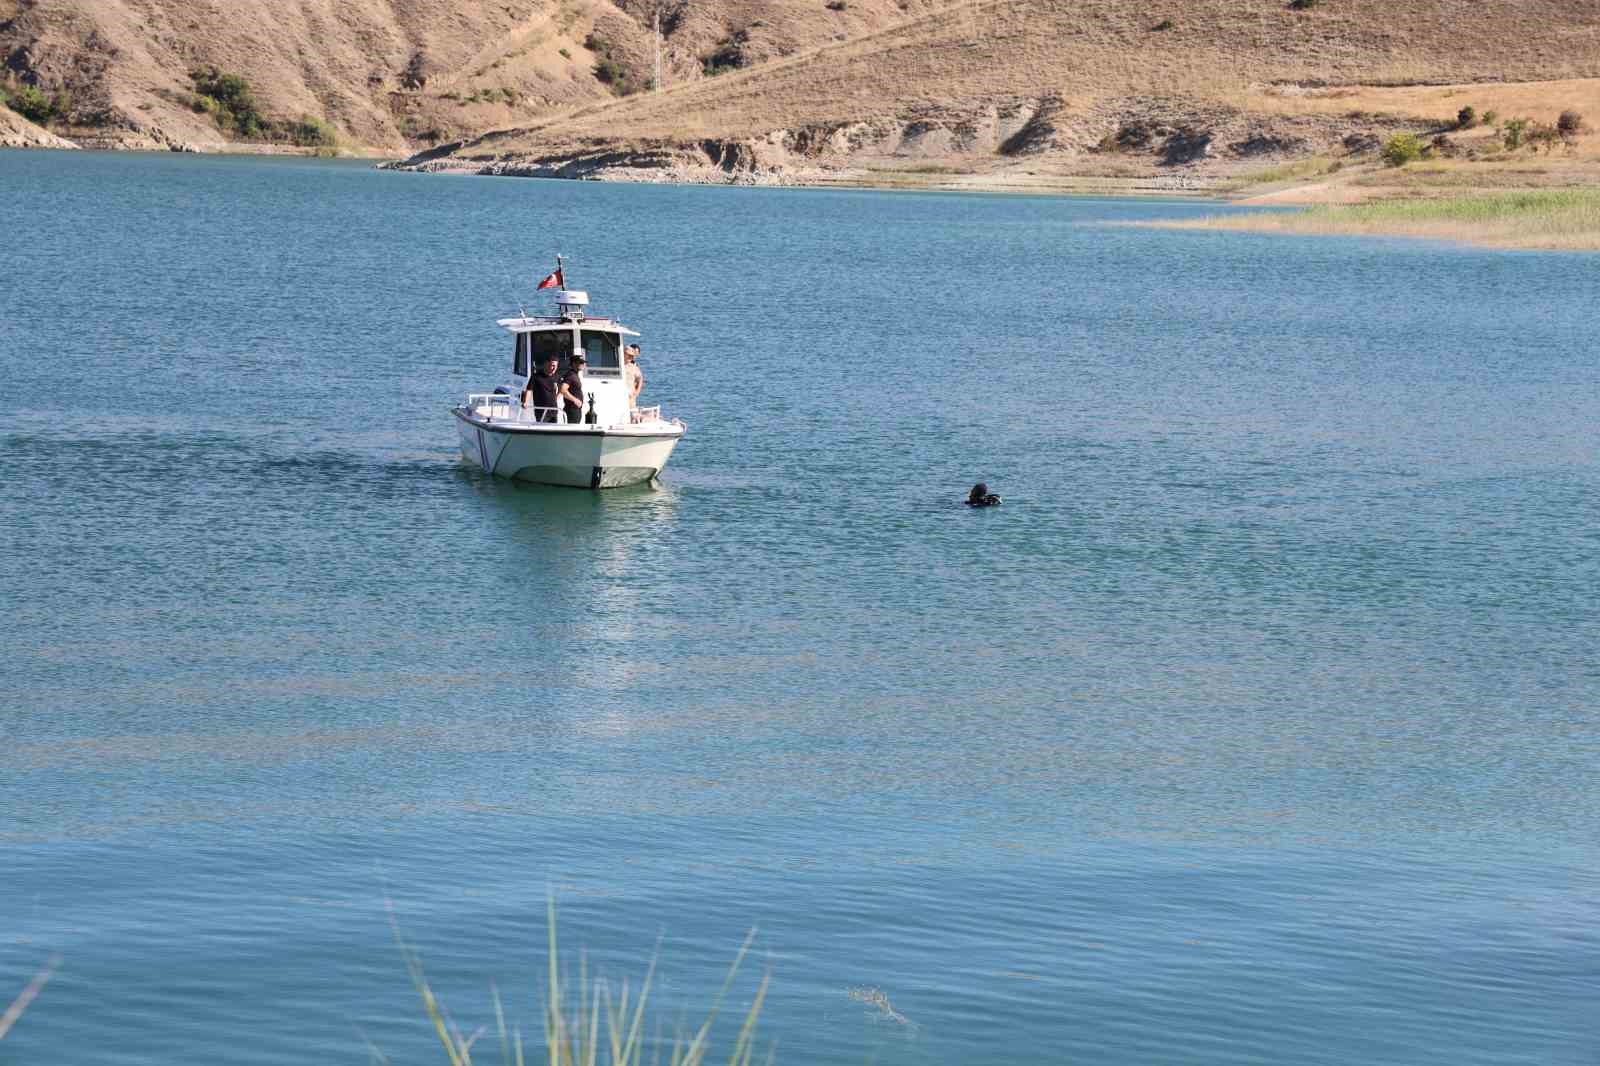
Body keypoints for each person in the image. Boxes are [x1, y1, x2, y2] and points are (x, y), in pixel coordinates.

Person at [522, 353, 561, 423]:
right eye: (552, 365)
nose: (554, 368)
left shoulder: (557, 377)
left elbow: (561, 390)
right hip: (541, 411)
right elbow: (529, 390)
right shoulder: (536, 376)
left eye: (556, 366)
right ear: (546, 364)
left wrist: (556, 398)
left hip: (553, 411)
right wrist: (525, 402)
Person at [560, 353, 587, 425]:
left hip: (576, 410)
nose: (583, 364)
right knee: (572, 433)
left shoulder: (575, 374)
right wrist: (575, 400)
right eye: (581, 362)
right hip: (572, 410)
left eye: (583, 362)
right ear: (574, 363)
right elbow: (563, 390)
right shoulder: (570, 375)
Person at [624, 344, 645, 415]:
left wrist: (637, 391)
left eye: (632, 356)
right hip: (620, 395)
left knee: (632, 415)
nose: (631, 357)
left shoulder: (633, 367)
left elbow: (640, 378)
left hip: (630, 397)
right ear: (624, 354)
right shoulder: (617, 365)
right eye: (629, 355)